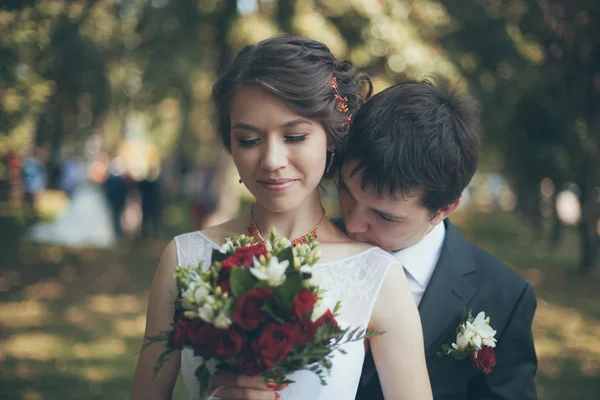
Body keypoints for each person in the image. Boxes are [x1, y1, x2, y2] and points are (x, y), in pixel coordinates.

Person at [131, 36, 433, 400]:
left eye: (294, 136)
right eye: (248, 140)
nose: (272, 160)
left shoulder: (375, 274)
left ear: (331, 138)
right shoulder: (184, 257)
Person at [337, 80, 538, 399]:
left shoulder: (504, 298)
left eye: (384, 216)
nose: (352, 222)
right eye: (345, 194)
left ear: (443, 210)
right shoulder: (306, 248)